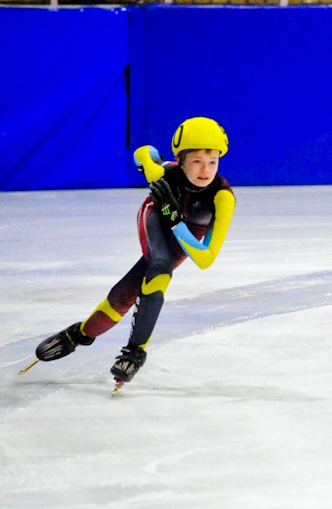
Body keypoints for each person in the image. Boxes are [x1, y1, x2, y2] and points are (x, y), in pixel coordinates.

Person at [22, 117, 236, 392]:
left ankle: (80, 334)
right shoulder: (164, 175)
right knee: (159, 268)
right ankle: (135, 353)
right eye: (197, 161)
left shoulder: (222, 197)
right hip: (157, 216)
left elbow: (205, 259)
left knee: (124, 296)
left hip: (185, 231)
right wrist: (151, 165)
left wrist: (177, 223)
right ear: (181, 160)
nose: (205, 170)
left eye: (213, 161)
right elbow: (144, 153)